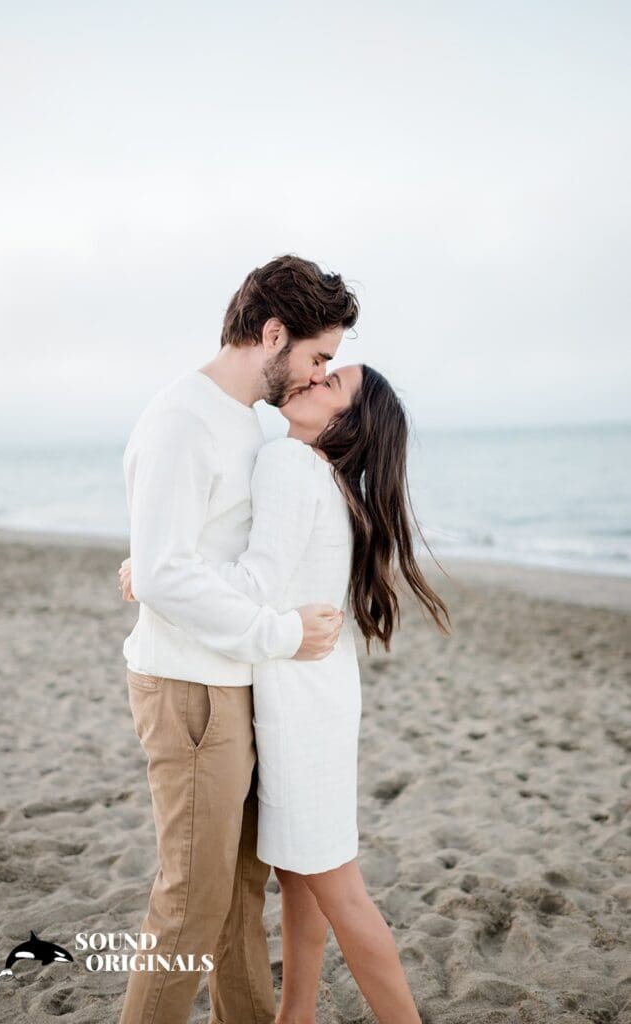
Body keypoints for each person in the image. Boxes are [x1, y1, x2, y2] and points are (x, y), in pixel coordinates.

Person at [120, 363, 452, 1023]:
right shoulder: (327, 479)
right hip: (317, 696)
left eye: (332, 383)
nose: (312, 379)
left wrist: (152, 569)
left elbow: (255, 582)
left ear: (346, 422)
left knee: (338, 889)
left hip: (298, 709)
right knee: (303, 879)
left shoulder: (285, 464)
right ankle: (292, 1017)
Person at [117, 254, 360, 1024]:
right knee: (191, 903)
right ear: (274, 331)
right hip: (190, 688)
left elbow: (194, 553)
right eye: (319, 355)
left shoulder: (246, 423)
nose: (322, 372)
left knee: (239, 897)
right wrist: (279, 633)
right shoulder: (183, 419)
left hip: (235, 683)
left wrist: (146, 565)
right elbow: (165, 573)